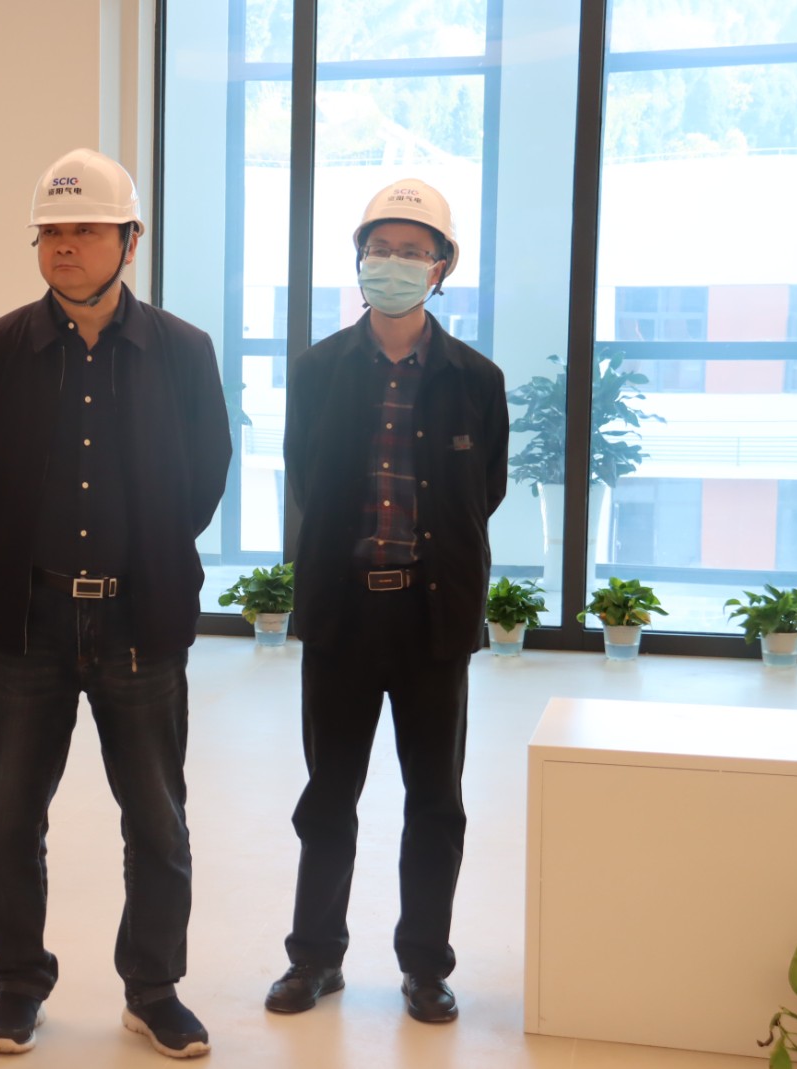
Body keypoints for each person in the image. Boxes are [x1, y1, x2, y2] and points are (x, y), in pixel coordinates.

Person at [0, 148, 231, 1059]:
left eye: (86, 230)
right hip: (27, 621)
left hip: (140, 621)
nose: (64, 246)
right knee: (10, 817)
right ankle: (18, 985)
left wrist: (146, 556)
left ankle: (154, 988)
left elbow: (206, 473)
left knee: (157, 819)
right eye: (52, 232)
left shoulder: (183, 350)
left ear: (130, 240)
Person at [265, 178, 508, 1025]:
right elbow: (306, 478)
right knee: (328, 795)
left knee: (434, 800)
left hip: (432, 617)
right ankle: (314, 957)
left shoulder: (476, 378)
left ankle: (425, 966)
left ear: (441, 268)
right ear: (359, 259)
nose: (393, 263)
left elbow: (483, 490)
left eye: (413, 251)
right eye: (381, 248)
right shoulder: (317, 370)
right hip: (343, 613)